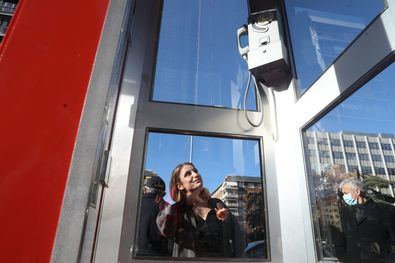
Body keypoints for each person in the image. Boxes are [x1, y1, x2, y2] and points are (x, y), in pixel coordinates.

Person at [156, 162, 245, 258]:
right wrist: (189, 200)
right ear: (180, 186)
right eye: (188, 174)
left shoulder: (217, 204)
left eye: (195, 171)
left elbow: (240, 237)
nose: (195, 174)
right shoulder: (179, 210)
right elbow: (165, 228)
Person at [338, 177, 395, 262]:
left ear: (357, 192)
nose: (344, 197)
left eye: (345, 193)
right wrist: (342, 257)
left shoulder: (386, 209)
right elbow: (341, 238)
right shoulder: (345, 212)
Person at [136, 175, 171, 256]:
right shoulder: (167, 207)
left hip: (132, 254)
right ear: (164, 194)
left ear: (144, 189)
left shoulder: (133, 203)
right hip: (158, 256)